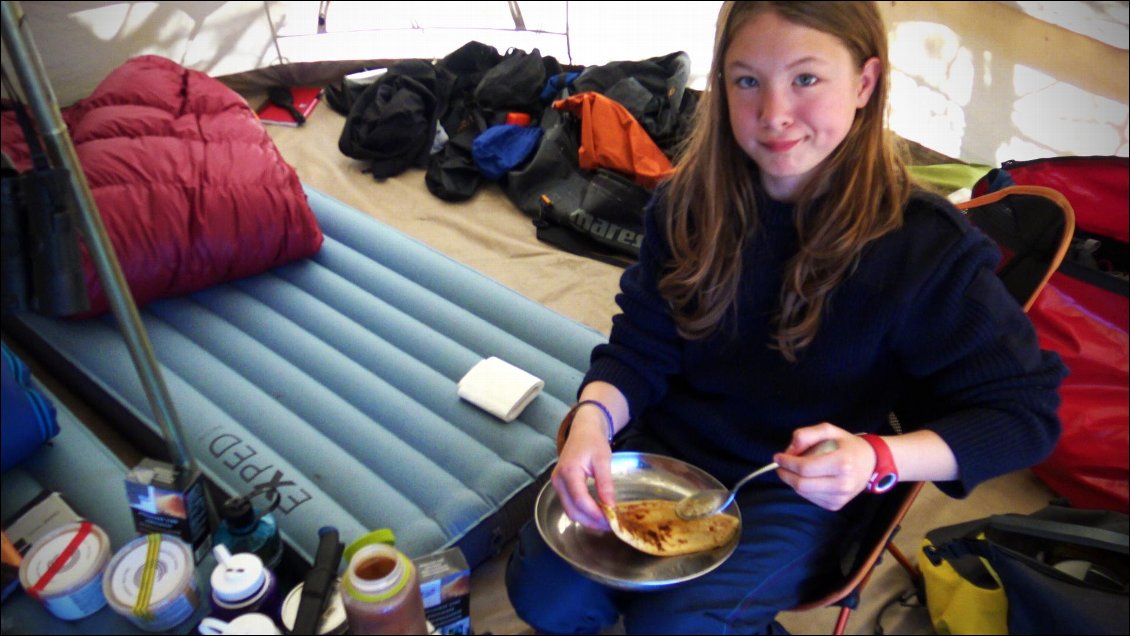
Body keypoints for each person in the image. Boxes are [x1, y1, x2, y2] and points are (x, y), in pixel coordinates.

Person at [506, 1, 1066, 633]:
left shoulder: (924, 247)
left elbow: (1024, 415)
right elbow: (640, 345)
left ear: (864, 83)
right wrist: (591, 421)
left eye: (806, 78)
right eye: (747, 80)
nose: (773, 115)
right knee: (545, 597)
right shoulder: (685, 204)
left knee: (675, 623)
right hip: (666, 455)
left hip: (795, 487)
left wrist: (877, 458)